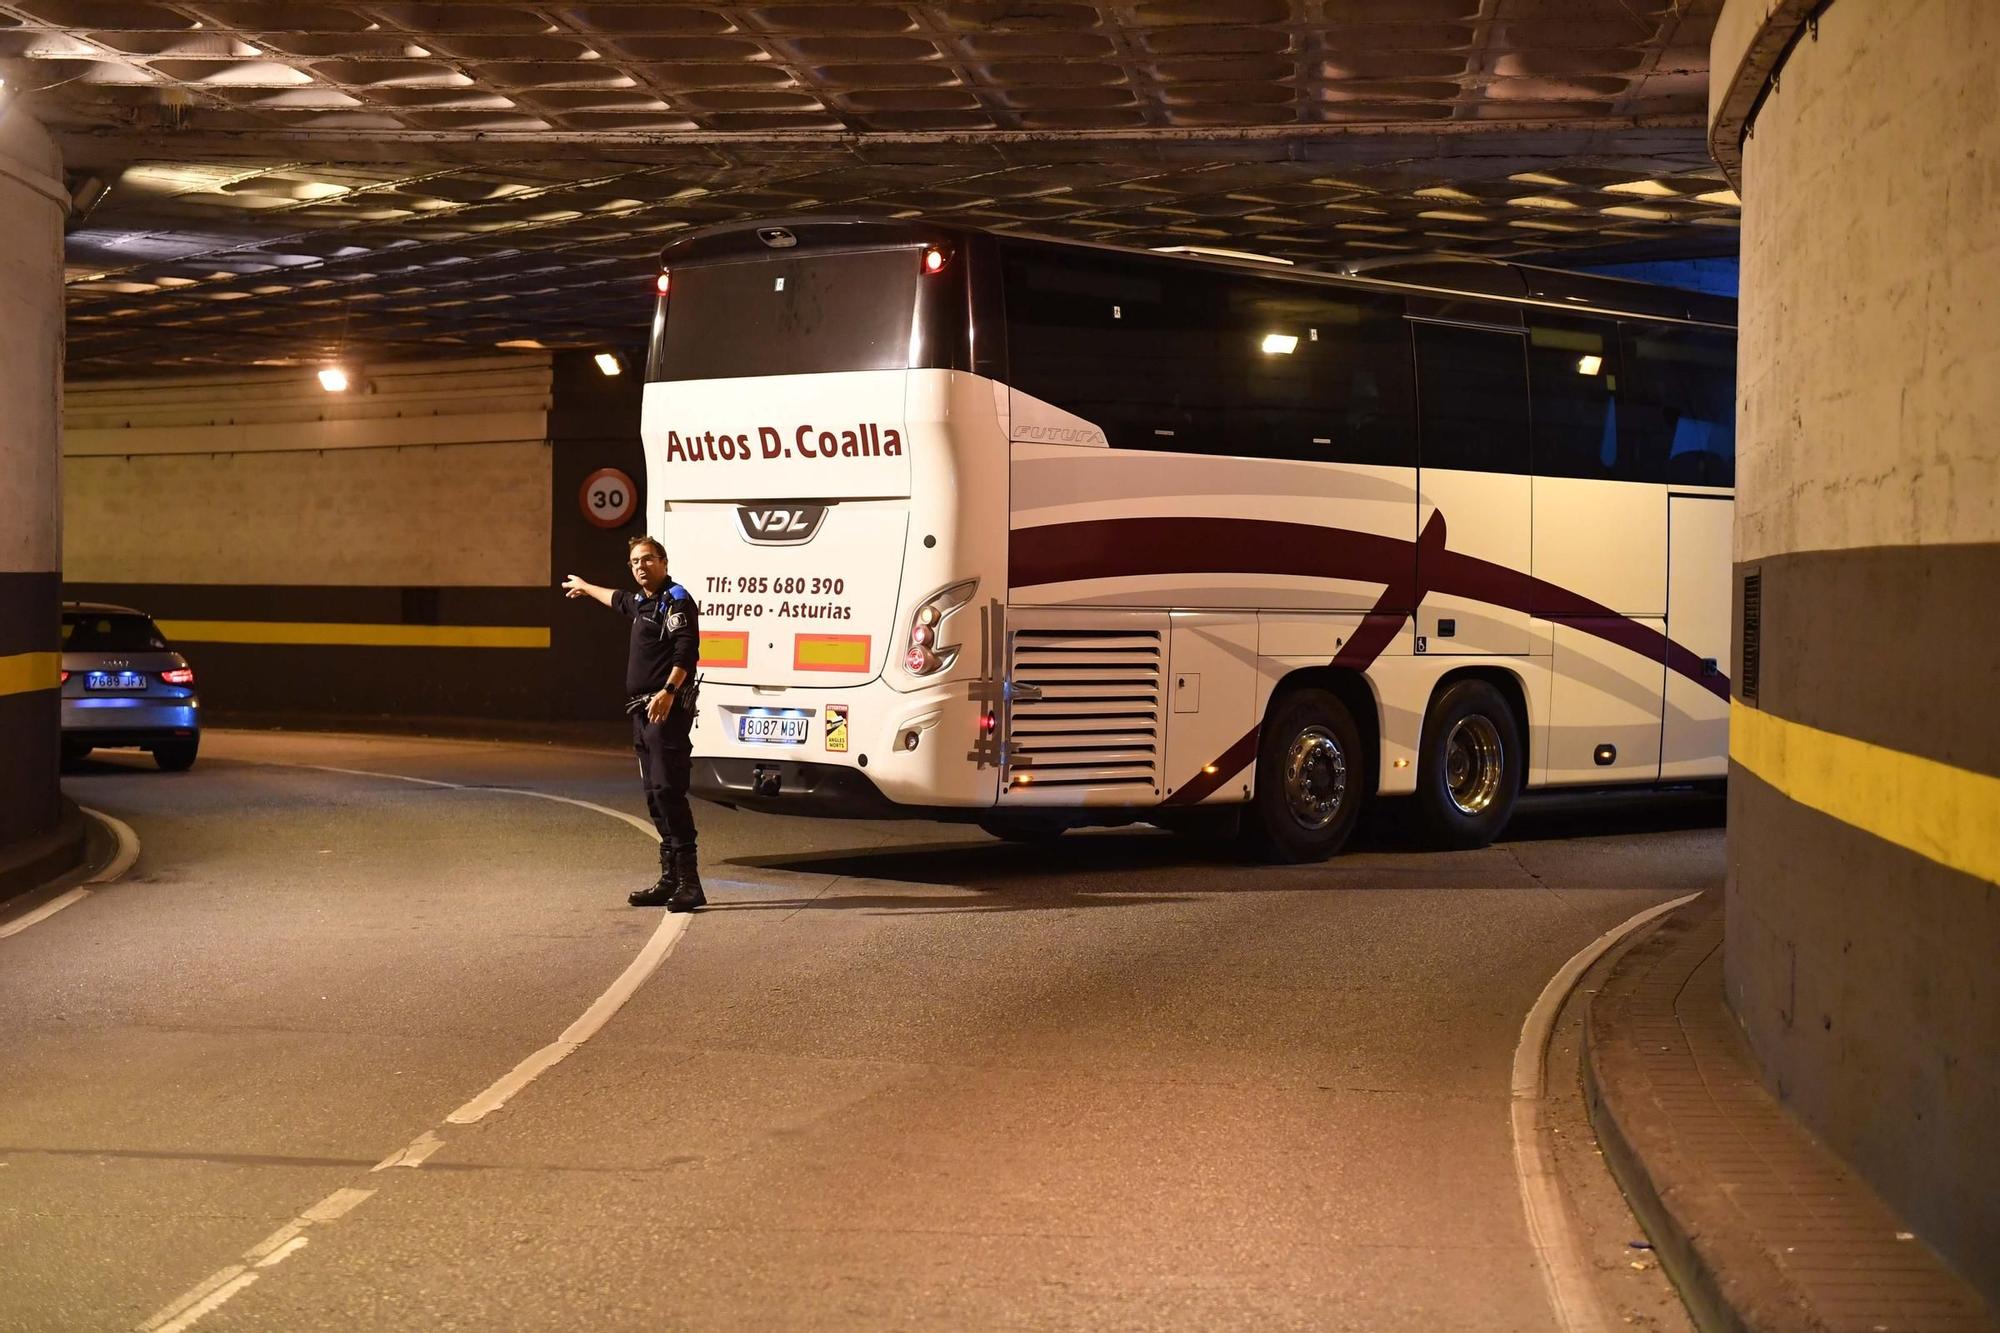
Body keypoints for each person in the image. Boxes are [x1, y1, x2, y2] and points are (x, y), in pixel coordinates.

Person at [562, 536, 704, 910]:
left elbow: (687, 650)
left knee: (668, 791)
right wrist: (585, 587)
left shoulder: (676, 600)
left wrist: (669, 691)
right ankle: (669, 879)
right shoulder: (643, 602)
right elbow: (617, 598)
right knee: (654, 796)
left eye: (647, 559)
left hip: (665, 711)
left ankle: (690, 882)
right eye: (634, 562)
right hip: (641, 712)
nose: (640, 566)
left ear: (663, 560)